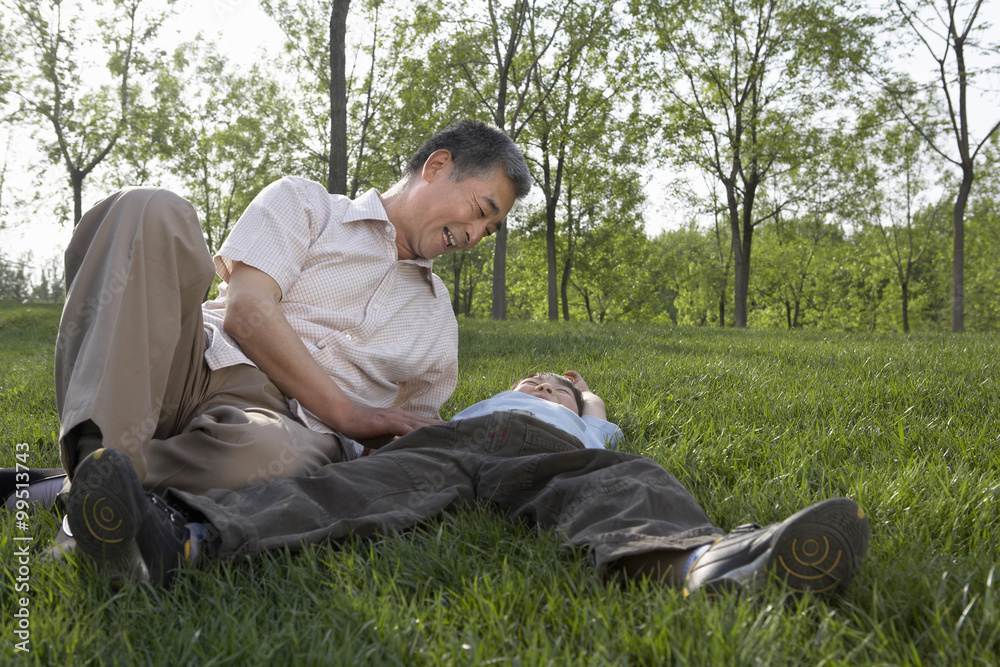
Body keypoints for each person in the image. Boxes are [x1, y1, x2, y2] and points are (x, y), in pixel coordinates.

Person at [17, 119, 528, 506]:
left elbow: (410, 431)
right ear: (437, 167)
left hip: (281, 429)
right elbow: (247, 311)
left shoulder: (439, 324)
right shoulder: (305, 204)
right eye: (481, 211)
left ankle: (90, 488)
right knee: (149, 208)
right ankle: (106, 472)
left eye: (489, 230)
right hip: (189, 363)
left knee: (274, 459)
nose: (477, 236)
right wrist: (348, 413)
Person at [66, 370, 871, 599]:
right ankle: (174, 539)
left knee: (627, 480)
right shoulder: (492, 395)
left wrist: (578, 402)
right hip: (452, 443)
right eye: (541, 377)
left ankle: (702, 562)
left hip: (535, 456)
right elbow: (414, 425)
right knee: (356, 488)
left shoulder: (587, 424)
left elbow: (598, 424)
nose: (550, 382)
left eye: (563, 385)